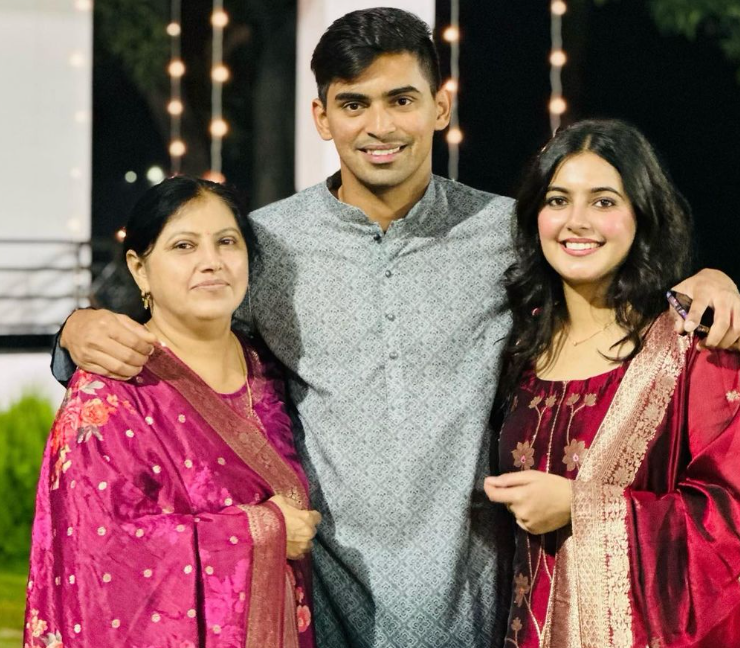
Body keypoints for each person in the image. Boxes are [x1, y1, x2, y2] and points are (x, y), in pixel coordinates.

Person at [51, 9, 740, 648]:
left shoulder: (510, 233)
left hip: (479, 604)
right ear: (322, 117)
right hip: (324, 607)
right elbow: (180, 349)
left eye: (401, 100)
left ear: (440, 106)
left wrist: (711, 282)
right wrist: (72, 333)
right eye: (354, 104)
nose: (379, 126)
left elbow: (609, 285)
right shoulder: (264, 246)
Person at [26, 177, 321, 648]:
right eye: (184, 245)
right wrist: (261, 533)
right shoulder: (110, 394)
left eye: (227, 242)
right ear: (140, 269)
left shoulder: (268, 368)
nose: (211, 262)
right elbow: (103, 556)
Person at [485, 119, 740, 648]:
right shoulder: (517, 345)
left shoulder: (692, 347)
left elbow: (729, 523)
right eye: (558, 200)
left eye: (603, 202)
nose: (576, 222)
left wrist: (581, 506)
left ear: (641, 216)